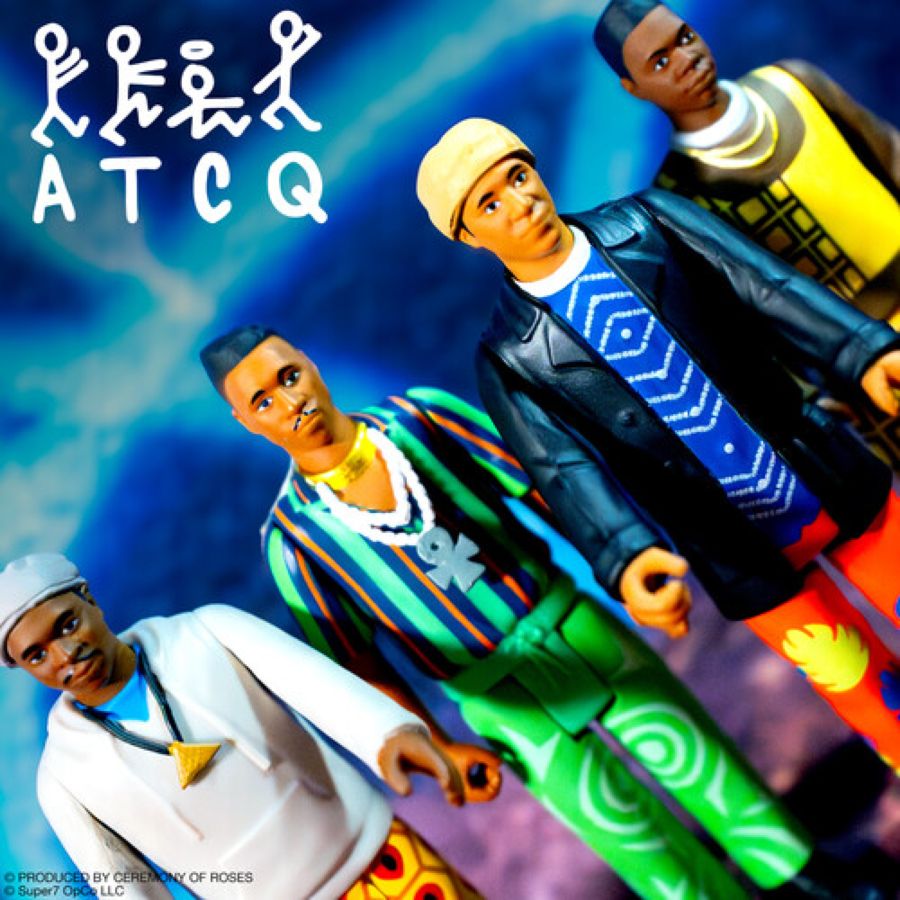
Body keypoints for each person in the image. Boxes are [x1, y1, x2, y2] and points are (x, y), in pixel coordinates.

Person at [201, 325, 853, 900]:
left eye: (289, 376)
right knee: (613, 823)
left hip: (568, 623)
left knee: (689, 748)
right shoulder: (295, 539)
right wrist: (436, 743)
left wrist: (619, 564)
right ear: (245, 420)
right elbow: (360, 662)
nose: (290, 402)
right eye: (263, 401)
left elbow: (539, 485)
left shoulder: (418, 418)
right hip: (498, 698)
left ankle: (798, 871)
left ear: (309, 363)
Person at [416, 116, 900, 783]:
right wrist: (625, 555)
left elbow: (766, 286)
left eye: (518, 177)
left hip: (819, 467)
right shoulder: (510, 357)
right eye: (490, 205)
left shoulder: (649, 222)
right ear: (469, 236)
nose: (520, 203)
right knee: (862, 689)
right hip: (733, 546)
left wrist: (860, 351)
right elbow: (565, 471)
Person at [1, 552, 482, 899]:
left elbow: (315, 686)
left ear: (88, 599)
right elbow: (119, 881)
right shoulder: (63, 778)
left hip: (377, 853)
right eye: (37, 655)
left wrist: (389, 733)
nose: (66, 656)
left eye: (67, 625)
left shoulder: (208, 632)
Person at [593, 0, 900, 466]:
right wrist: (813, 398)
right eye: (660, 61)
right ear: (633, 88)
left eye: (684, 38)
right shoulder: (677, 202)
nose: (685, 58)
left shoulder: (793, 84)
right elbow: (742, 324)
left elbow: (888, 153)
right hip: (868, 371)